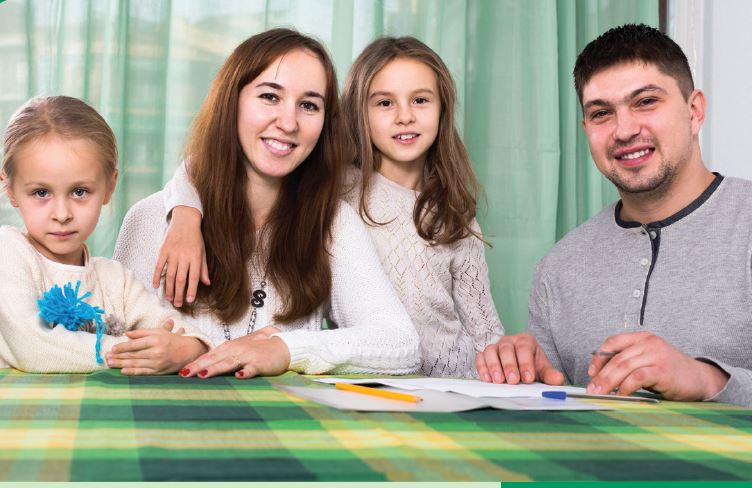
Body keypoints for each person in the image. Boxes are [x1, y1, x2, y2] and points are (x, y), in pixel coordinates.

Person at [159, 36, 504, 379]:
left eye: (420, 100)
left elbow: (486, 333)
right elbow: (207, 164)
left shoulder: (454, 213)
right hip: (377, 381)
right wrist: (186, 214)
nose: (404, 117)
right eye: (385, 103)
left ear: (443, 109)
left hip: (459, 379)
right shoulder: (336, 185)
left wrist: (505, 363)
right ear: (357, 112)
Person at [112, 28, 420, 379]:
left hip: (287, 427)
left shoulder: (333, 222)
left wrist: (288, 348)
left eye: (308, 105)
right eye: (270, 97)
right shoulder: (152, 218)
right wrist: (192, 349)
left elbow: (400, 343)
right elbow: (107, 342)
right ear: (232, 101)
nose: (288, 123)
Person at [476, 23, 752, 407]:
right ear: (586, 128)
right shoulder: (559, 268)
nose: (624, 130)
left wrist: (707, 380)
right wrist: (525, 374)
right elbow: (552, 404)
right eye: (602, 113)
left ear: (694, 111)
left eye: (645, 102)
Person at [0, 96, 211, 374]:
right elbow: (32, 347)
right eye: (41, 193)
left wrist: (191, 348)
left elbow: (179, 332)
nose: (62, 213)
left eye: (79, 192)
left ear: (109, 187)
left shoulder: (116, 280)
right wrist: (133, 351)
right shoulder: (9, 251)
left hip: (98, 414)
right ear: (10, 189)